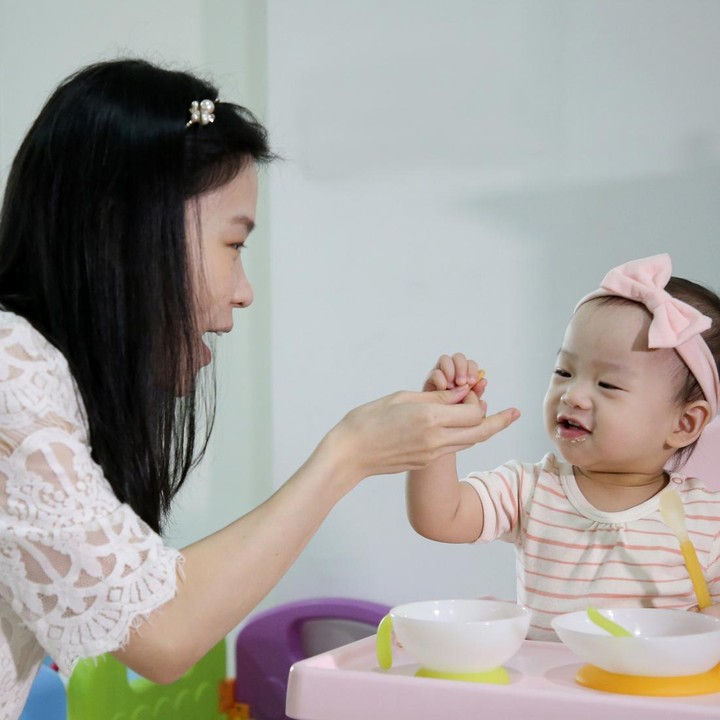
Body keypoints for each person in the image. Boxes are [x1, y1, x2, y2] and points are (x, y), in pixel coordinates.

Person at [0, 59, 520, 719]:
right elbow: (162, 633)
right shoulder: (12, 365)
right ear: (128, 228)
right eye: (234, 244)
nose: (243, 292)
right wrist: (349, 453)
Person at [406, 254, 720, 640]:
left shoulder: (708, 520)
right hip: (548, 680)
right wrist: (439, 429)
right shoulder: (531, 489)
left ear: (685, 423)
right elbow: (440, 517)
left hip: (652, 681)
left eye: (607, 384)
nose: (572, 395)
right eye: (564, 372)